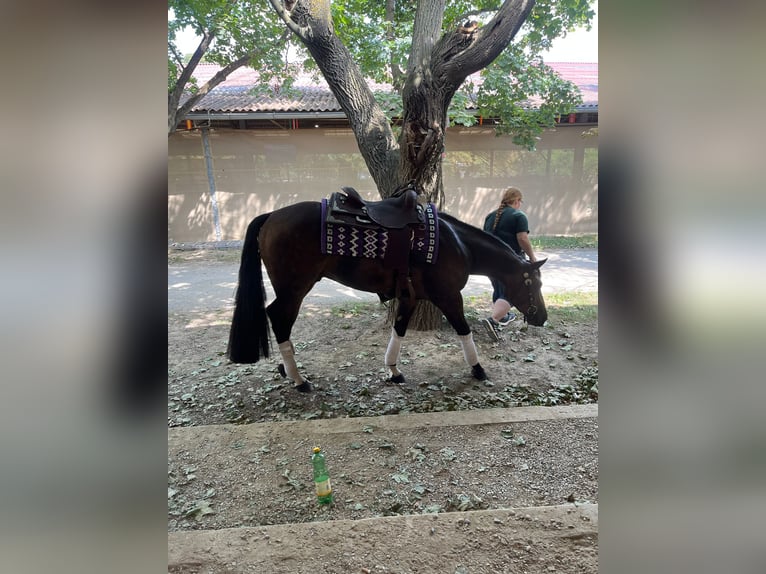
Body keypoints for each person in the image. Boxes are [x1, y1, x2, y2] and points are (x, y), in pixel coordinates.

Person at [480, 187, 537, 342]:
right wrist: (532, 258)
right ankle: (493, 320)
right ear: (517, 200)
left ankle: (503, 316)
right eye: (520, 201)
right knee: (512, 293)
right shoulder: (519, 216)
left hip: (490, 261)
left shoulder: (490, 216)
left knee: (499, 289)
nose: (520, 204)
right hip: (510, 262)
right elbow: (522, 239)